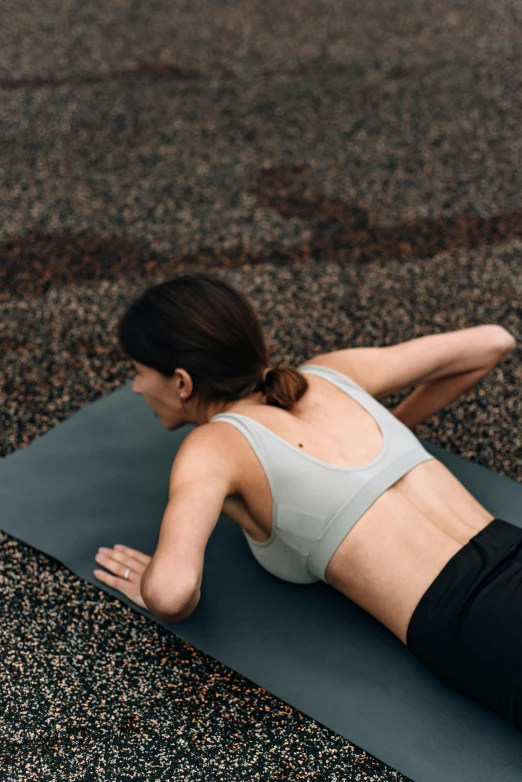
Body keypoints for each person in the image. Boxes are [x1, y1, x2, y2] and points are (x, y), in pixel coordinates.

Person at [94, 272, 520, 728]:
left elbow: (172, 594)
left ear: (181, 381)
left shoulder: (212, 448)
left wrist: (149, 585)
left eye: (138, 373)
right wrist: (394, 427)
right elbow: (493, 342)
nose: (136, 388)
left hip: (476, 623)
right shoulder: (331, 374)